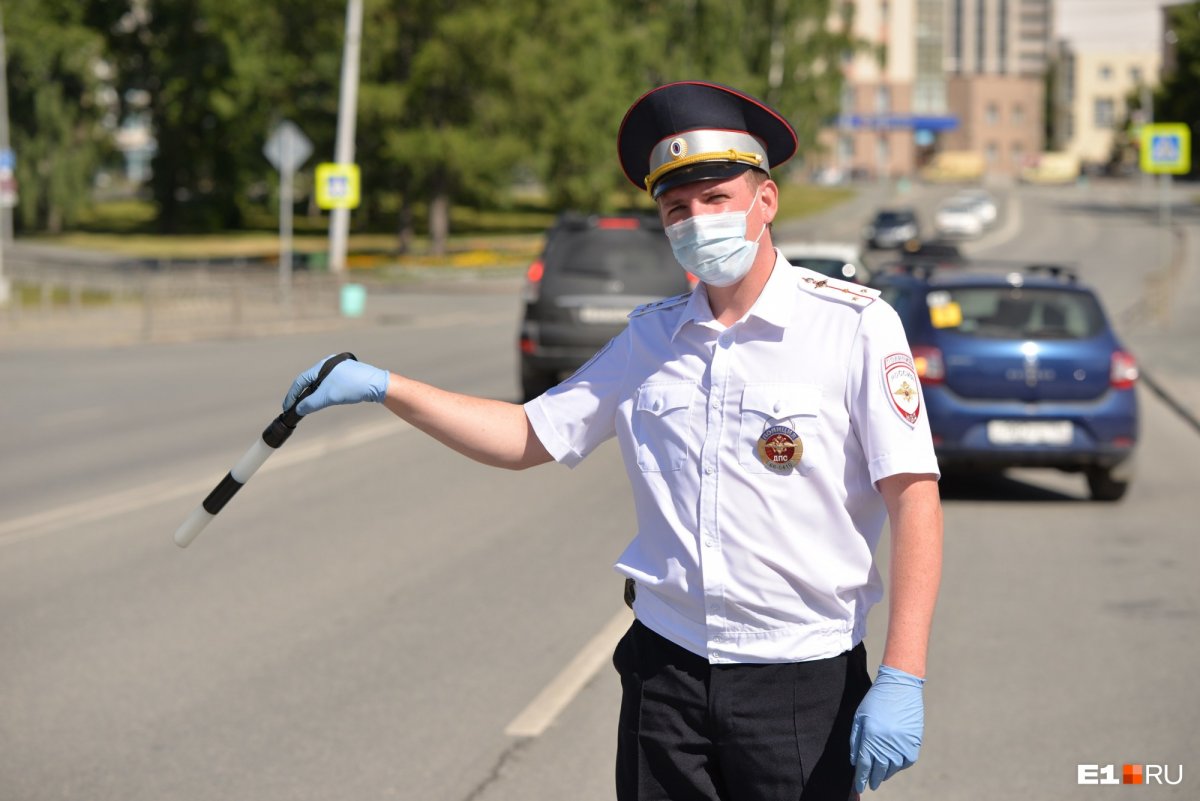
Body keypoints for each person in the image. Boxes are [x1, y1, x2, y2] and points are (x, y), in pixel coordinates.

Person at [283, 81, 943, 800]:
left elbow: (915, 502)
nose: (696, 221)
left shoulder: (851, 325)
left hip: (798, 681)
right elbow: (527, 433)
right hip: (667, 673)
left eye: (715, 198)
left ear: (765, 201)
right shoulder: (651, 337)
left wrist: (903, 673)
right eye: (676, 208)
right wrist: (389, 386)